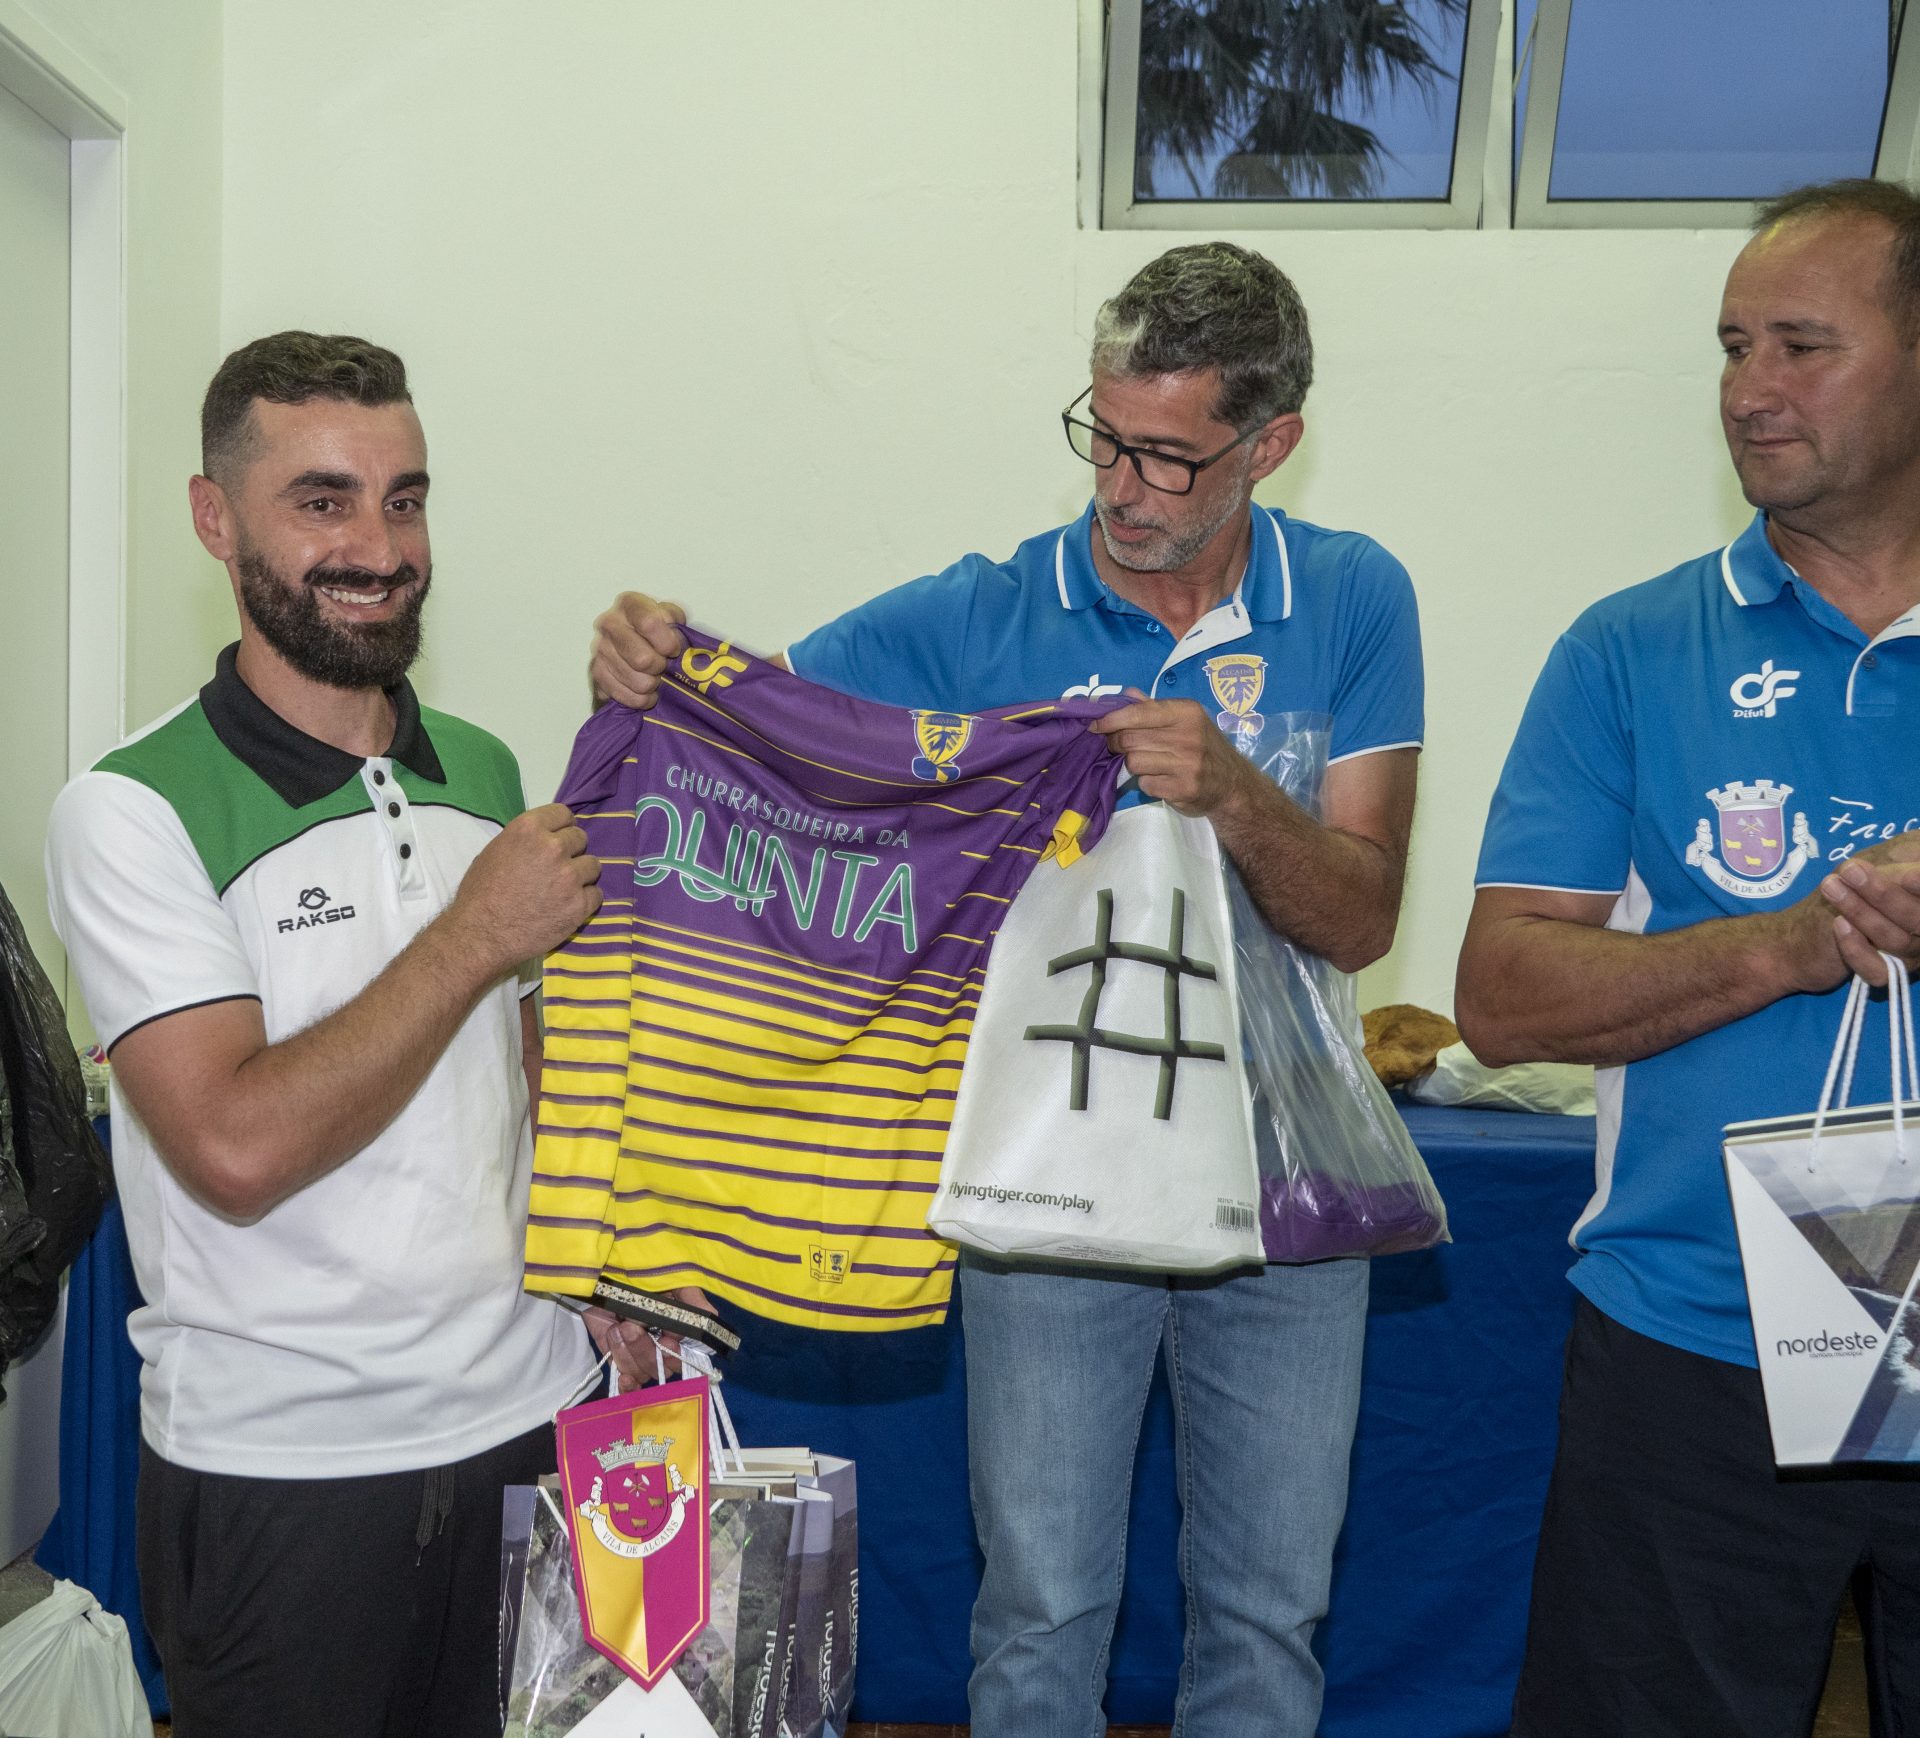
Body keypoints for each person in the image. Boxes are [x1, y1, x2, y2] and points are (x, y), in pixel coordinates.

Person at [592, 241, 1424, 1737]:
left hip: (1286, 1177)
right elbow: (755, 739)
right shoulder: (978, 614)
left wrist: (1234, 793)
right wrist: (652, 668)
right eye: (1104, 434)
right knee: (1039, 1608)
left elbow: (1361, 917)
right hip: (1050, 1174)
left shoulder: (1355, 595)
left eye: (1169, 455)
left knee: (1270, 1611)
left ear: (1271, 444)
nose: (1122, 486)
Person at [45, 332, 615, 1738]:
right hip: (282, 1478)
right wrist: (474, 933)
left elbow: (529, 1075)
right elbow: (234, 1147)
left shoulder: (484, 767)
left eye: (403, 499)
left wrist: (608, 1272)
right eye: (323, 501)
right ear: (214, 517)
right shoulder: (130, 809)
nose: (378, 546)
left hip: (537, 1426)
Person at [1457, 179, 1920, 1738]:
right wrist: (1793, 940)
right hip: (1697, 1344)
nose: (1750, 390)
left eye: (1803, 345)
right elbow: (1501, 995)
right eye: (1733, 347)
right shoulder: (1631, 649)